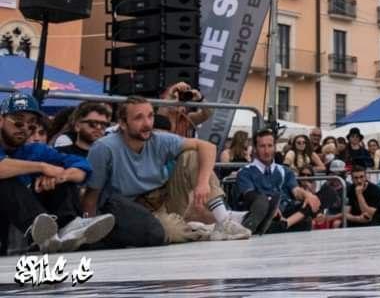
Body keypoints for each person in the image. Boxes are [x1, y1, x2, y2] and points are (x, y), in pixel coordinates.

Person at [83, 96, 250, 244]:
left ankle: (224, 221)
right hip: (131, 210)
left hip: (163, 200)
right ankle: (200, 230)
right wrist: (88, 231)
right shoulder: (104, 148)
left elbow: (207, 147)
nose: (147, 123)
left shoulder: (159, 139)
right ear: (122, 123)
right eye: (138, 118)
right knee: (169, 232)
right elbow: (92, 194)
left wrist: (202, 183)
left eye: (150, 116)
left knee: (192, 154)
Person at [0, 93, 116, 252]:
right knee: (7, 180)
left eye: (32, 125)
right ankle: (40, 234)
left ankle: (68, 226)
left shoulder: (35, 150)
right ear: (1, 120)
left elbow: (82, 168)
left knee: (60, 175)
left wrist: (60, 176)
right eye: (19, 122)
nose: (25, 129)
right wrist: (42, 167)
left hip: (18, 223)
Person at [235, 129, 320, 234]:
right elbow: (250, 195)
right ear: (255, 149)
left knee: (320, 197)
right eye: (262, 146)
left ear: (275, 147)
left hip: (287, 212)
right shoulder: (245, 172)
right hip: (266, 214)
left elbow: (296, 191)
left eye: (270, 146)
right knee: (264, 210)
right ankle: (289, 221)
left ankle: (286, 223)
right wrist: (270, 206)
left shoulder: (285, 170)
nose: (266, 151)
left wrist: (307, 195)